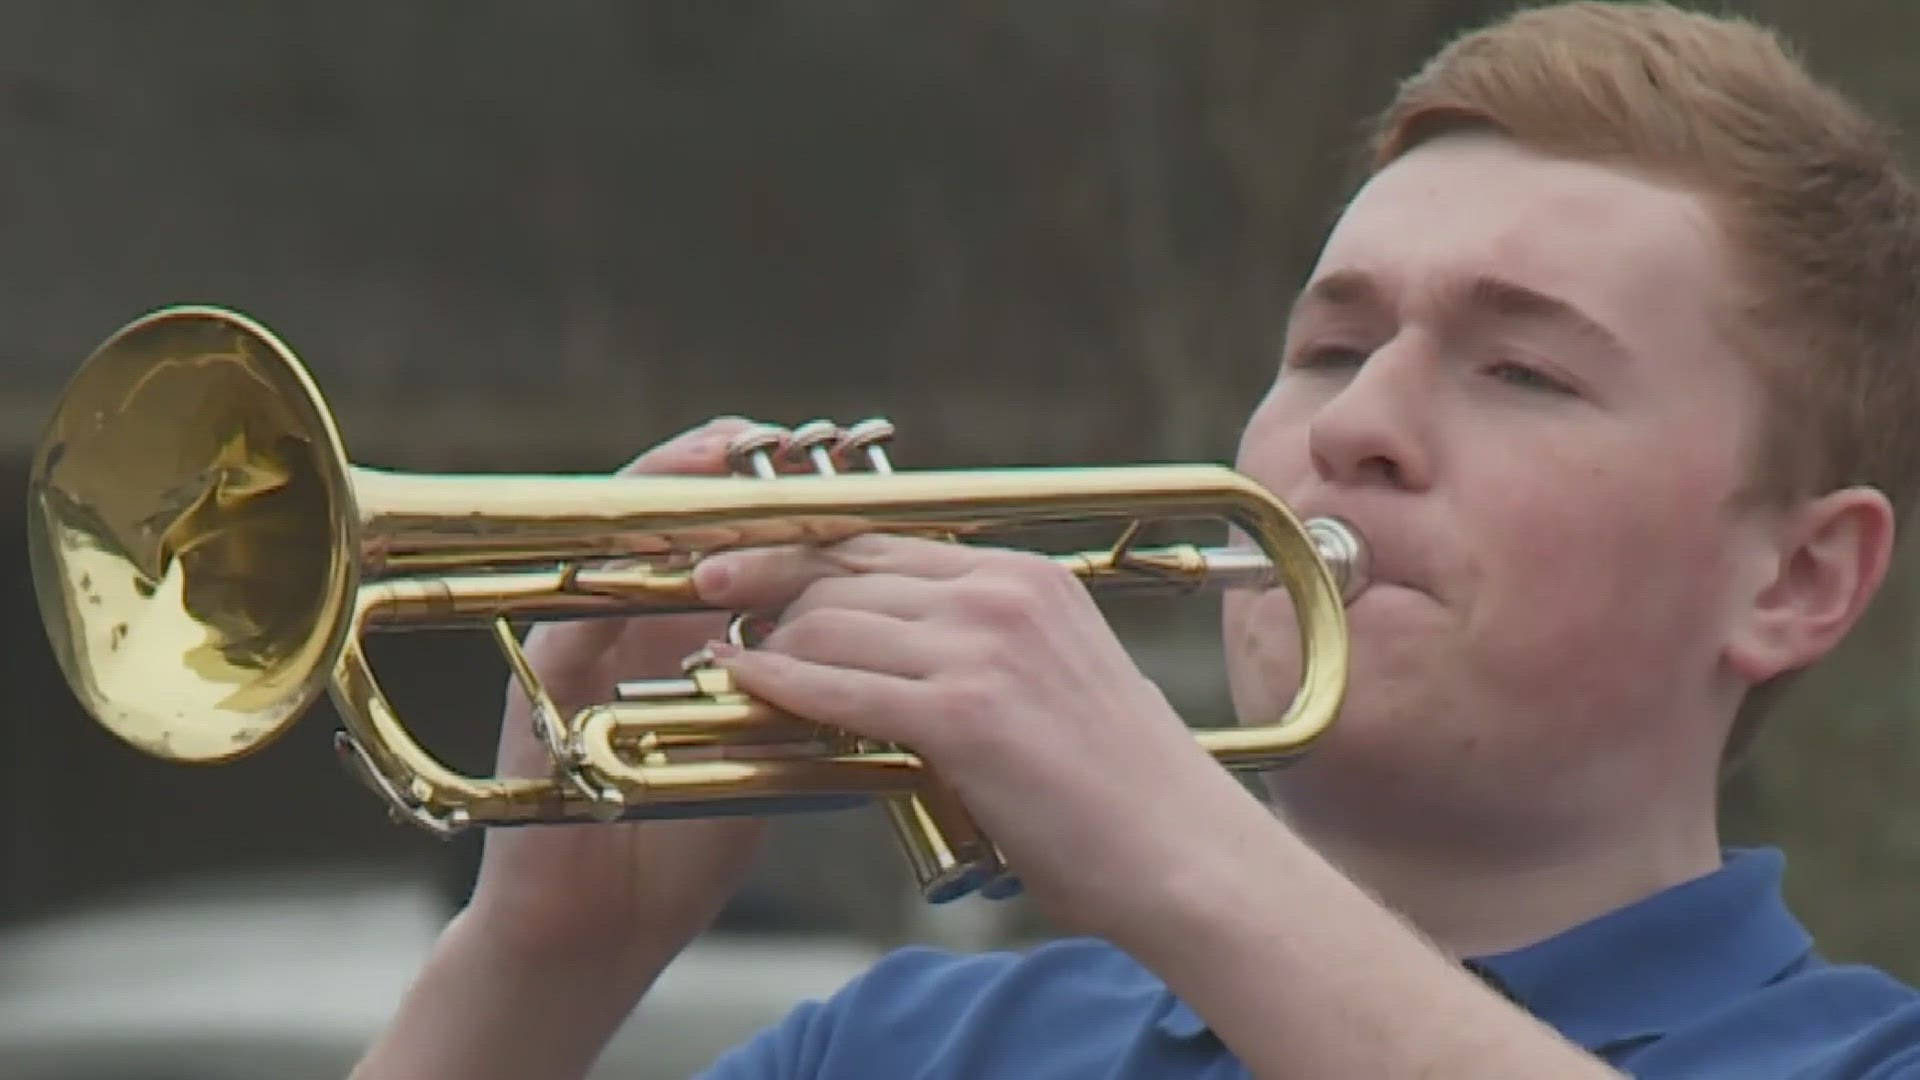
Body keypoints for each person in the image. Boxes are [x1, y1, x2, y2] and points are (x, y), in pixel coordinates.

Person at [350, 3, 1920, 1077]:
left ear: (1798, 578)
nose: (1357, 423)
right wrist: (540, 960)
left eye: (1524, 370)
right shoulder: (916, 1051)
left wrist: (1172, 846)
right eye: (1326, 346)